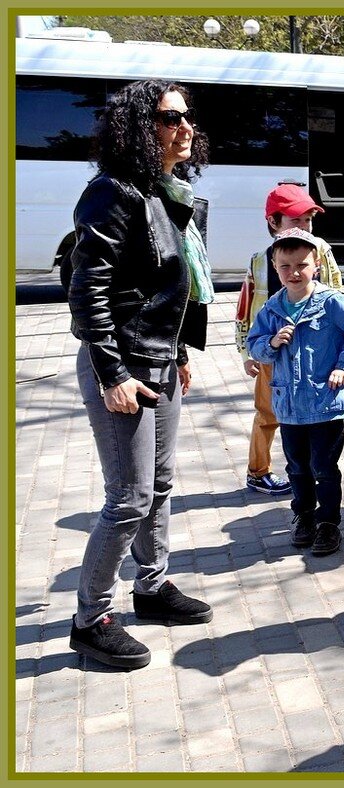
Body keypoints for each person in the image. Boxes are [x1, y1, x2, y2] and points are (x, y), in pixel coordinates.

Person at [66, 79, 215, 670]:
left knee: (160, 485)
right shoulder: (111, 192)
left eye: (187, 118)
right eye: (170, 118)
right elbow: (88, 290)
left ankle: (151, 588)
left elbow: (167, 285)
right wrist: (112, 373)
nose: (185, 128)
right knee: (127, 498)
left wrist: (177, 349)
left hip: (158, 358)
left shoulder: (163, 191)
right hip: (121, 366)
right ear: (137, 126)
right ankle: (90, 619)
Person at [246, 229, 344, 557]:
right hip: (289, 407)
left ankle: (329, 522)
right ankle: (303, 517)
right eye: (285, 266)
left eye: (301, 264)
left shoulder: (331, 303)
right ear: (275, 267)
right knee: (297, 467)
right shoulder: (272, 310)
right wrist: (271, 343)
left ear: (316, 264)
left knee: (324, 466)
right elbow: (255, 347)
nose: (293, 272)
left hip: (325, 404)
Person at [235, 184, 344, 496]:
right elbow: (244, 310)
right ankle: (258, 471)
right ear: (274, 223)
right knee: (268, 412)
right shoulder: (259, 261)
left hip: (315, 354)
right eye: (296, 221)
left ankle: (314, 468)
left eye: (308, 220)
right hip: (273, 354)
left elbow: (338, 292)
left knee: (319, 414)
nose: (305, 227)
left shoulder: (321, 251)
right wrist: (247, 351)